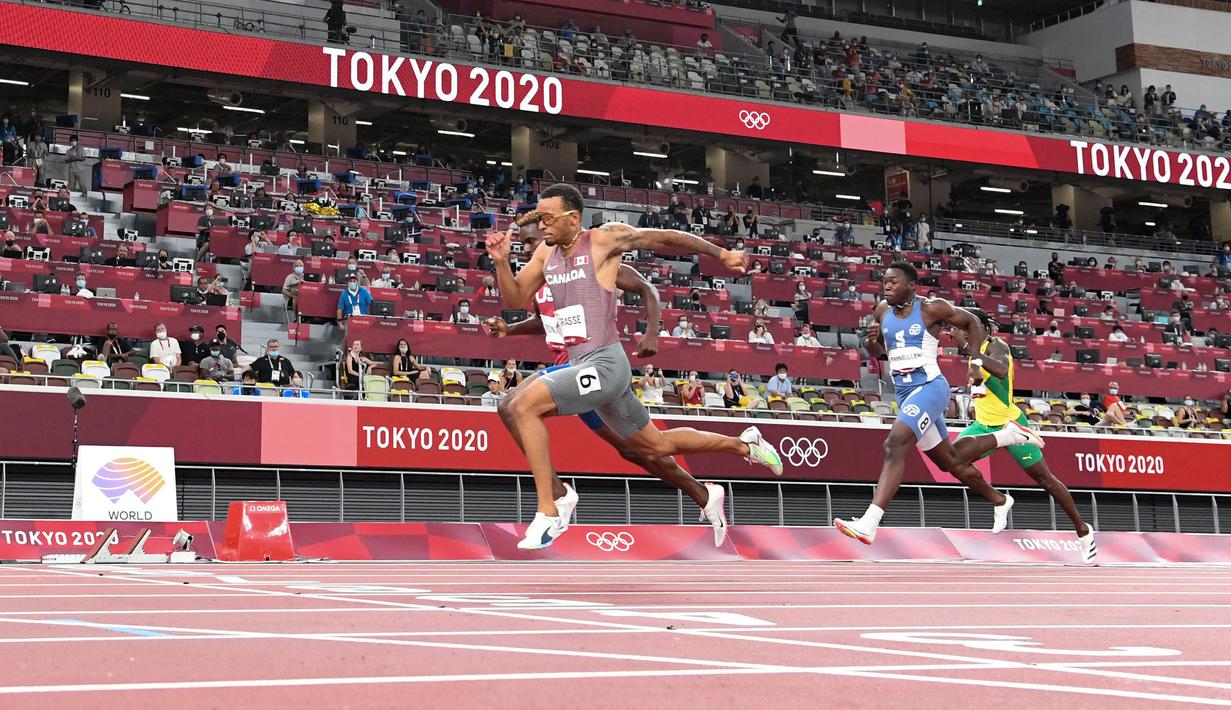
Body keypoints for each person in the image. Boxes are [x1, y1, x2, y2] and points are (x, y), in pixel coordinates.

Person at [485, 184, 781, 550]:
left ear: (573, 218)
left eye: (548, 217)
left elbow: (664, 237)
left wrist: (720, 253)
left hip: (606, 364)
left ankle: (551, 508)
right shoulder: (546, 254)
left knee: (520, 406)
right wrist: (501, 261)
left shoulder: (602, 240)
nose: (541, 225)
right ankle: (745, 445)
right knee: (655, 446)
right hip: (582, 367)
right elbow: (516, 298)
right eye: (539, 217)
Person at [834, 262, 1043, 545]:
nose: (887, 287)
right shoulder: (882, 310)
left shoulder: (931, 309)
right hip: (905, 393)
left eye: (893, 282)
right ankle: (1002, 481)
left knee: (894, 445)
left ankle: (869, 523)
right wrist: (871, 345)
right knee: (951, 462)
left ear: (911, 286)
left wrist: (976, 362)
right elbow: (881, 351)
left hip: (930, 388)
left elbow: (972, 321)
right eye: (885, 282)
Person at [951, 309, 1096, 562]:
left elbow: (1000, 370)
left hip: (1010, 423)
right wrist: (966, 348)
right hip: (983, 425)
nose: (963, 331)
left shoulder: (996, 345)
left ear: (980, 326)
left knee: (1044, 479)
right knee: (952, 460)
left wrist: (969, 349)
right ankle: (999, 500)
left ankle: (1083, 531)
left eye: (966, 326)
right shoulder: (975, 350)